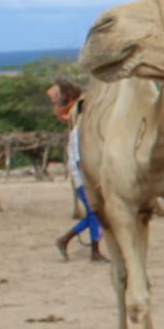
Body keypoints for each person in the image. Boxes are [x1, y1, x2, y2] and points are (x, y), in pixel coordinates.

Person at [48, 79, 105, 263]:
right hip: (84, 179)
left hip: (83, 178)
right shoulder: (80, 132)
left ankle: (69, 241)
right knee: (94, 214)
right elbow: (81, 160)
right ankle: (79, 245)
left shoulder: (79, 131)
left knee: (94, 214)